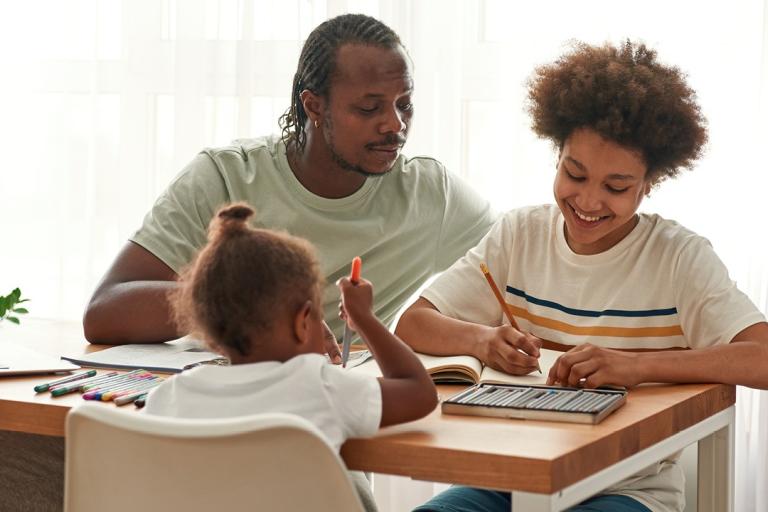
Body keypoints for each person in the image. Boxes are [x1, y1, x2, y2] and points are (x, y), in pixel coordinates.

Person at [396, 40, 768, 512]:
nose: (589, 202)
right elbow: (415, 323)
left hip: (626, 488)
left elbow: (762, 357)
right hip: (511, 475)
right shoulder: (520, 234)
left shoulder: (678, 257)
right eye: (575, 174)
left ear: (649, 184)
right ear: (556, 156)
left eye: (616, 187)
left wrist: (635, 367)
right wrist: (482, 341)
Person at [82, 13, 496, 352]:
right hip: (223, 406)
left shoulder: (430, 194)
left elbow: (522, 254)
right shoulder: (223, 178)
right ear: (313, 105)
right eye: (369, 108)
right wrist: (253, 310)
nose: (395, 125)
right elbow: (104, 313)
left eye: (404, 104)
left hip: (336, 413)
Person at [144, 202, 438, 512]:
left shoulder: (167, 398)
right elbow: (419, 391)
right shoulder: (318, 386)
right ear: (302, 321)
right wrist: (363, 317)